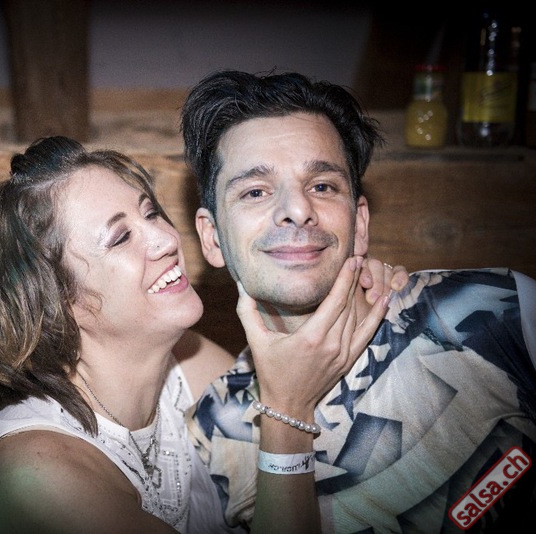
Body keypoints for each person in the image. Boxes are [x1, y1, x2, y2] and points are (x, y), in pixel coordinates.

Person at [0, 135, 405, 533]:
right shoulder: (37, 477)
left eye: (150, 213)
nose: (166, 239)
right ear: (58, 302)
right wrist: (286, 412)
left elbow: (316, 436)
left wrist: (366, 298)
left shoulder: (188, 361)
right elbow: (288, 414)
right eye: (121, 238)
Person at [180, 69, 536, 532]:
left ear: (360, 222)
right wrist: (286, 411)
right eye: (255, 191)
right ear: (212, 238)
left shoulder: (499, 310)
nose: (297, 210)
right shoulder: (211, 439)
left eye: (322, 186)